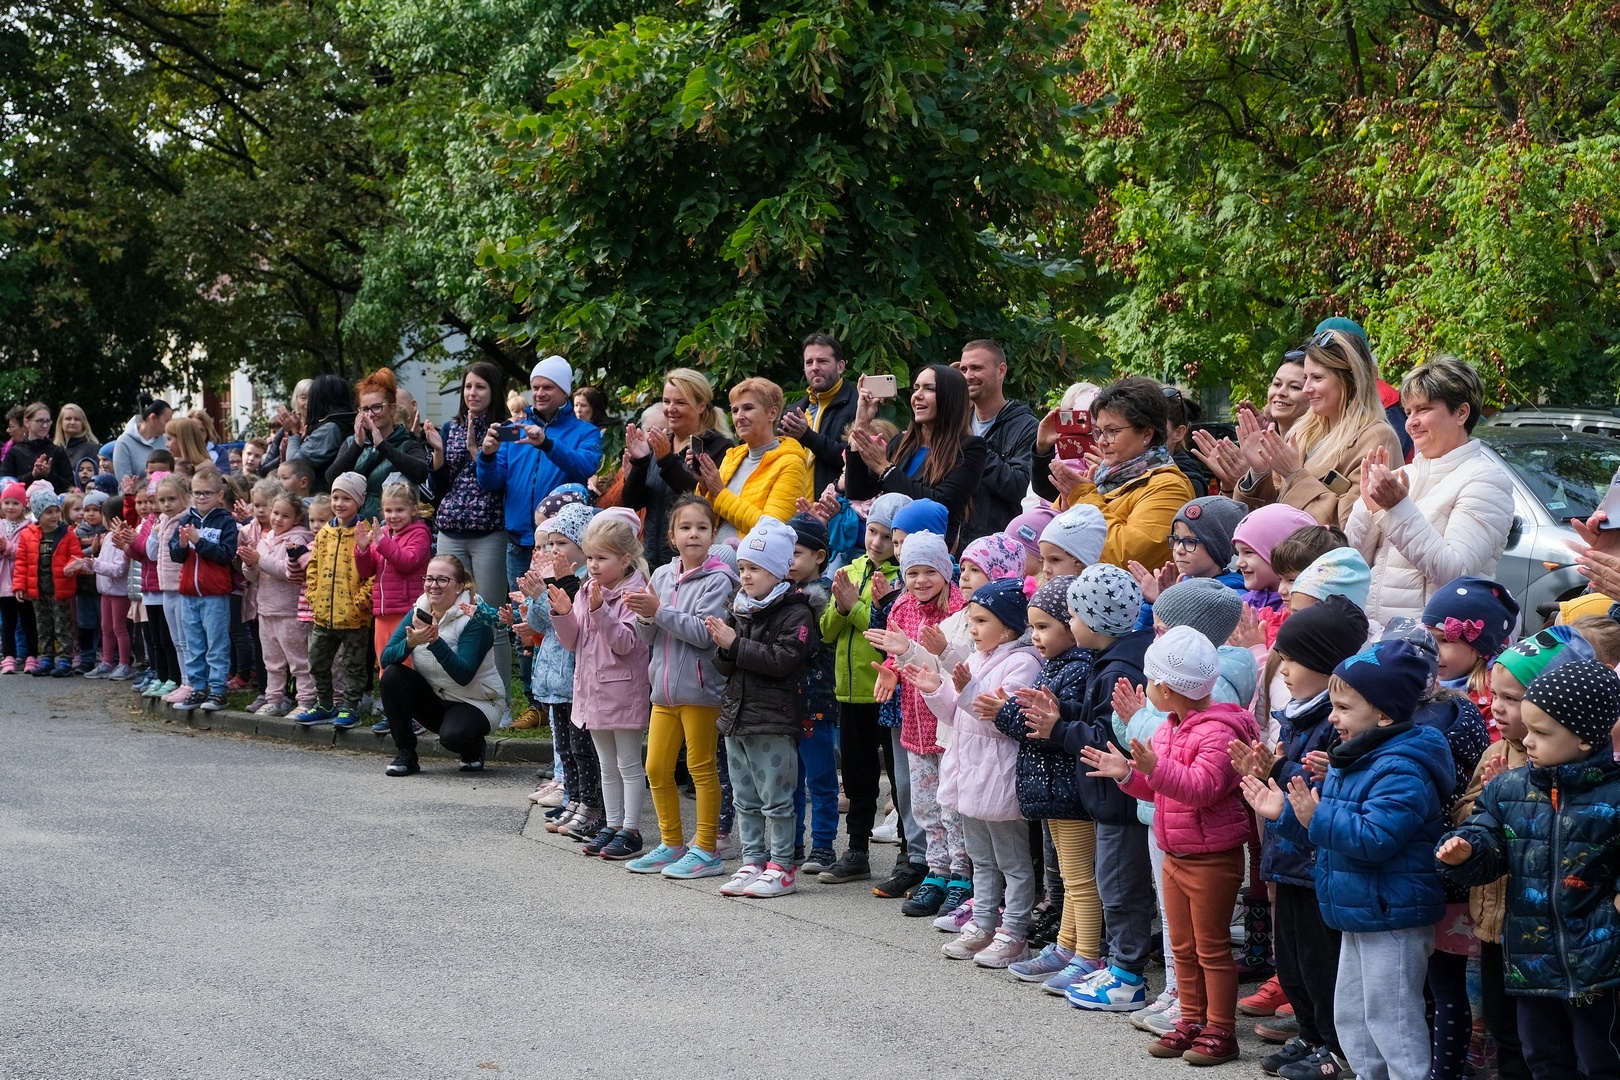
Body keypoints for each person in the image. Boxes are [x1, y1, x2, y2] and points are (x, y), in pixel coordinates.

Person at [1251, 639, 1452, 1080]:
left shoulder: (1402, 767)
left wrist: (1316, 816)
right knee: (1353, 1015)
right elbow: (1332, 834)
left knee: (1392, 1019)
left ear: (1384, 715)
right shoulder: (1357, 757)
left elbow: (1376, 837)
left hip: (1392, 914)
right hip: (1360, 909)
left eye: (1343, 708)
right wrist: (1287, 815)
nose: (1332, 717)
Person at [1082, 626, 1261, 1065]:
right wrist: (1128, 774)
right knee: (1182, 946)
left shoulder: (1219, 732)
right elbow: (1161, 789)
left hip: (1211, 857)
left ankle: (1220, 1029)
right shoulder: (1169, 728)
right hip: (1175, 852)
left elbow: (1201, 788)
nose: (1146, 689)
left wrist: (1153, 768)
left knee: (1211, 948)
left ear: (1166, 688)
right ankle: (1191, 1019)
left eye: (1149, 681)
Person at [1438, 660, 1620, 1080]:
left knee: (1602, 1060)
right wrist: (1467, 852)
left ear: (1585, 738)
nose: (1528, 740)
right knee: (1542, 1057)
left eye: (1542, 732)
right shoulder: (1509, 788)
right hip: (1530, 958)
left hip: (1600, 965)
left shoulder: (1614, 794)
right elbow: (1487, 838)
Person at [1229, 596, 1370, 1080]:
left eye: (1293, 660)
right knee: (1291, 960)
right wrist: (1265, 768)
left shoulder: (1336, 721)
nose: (1283, 670)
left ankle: (1335, 1047)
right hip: (1287, 860)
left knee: (1321, 962)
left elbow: (1317, 789)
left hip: (1316, 866)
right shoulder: (1298, 715)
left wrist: (1277, 766)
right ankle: (1310, 1035)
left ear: (1329, 666)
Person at [912, 576, 1042, 967]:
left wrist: (964, 685)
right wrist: (935, 689)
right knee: (980, 858)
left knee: (1013, 862)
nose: (973, 628)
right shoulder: (975, 658)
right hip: (970, 771)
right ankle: (983, 923)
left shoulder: (1023, 663)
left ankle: (1014, 931)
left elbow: (998, 718)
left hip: (998, 774)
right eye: (971, 620)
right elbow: (955, 714)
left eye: (982, 621)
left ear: (1010, 626)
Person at [1344, 356, 1514, 633]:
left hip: (1432, 643)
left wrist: (1397, 508)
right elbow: (1353, 565)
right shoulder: (1402, 475)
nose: (1411, 423)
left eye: (1422, 409)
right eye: (1408, 411)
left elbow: (1456, 574)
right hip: (1374, 636)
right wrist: (1368, 507)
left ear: (1461, 413)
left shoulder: (1485, 479)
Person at [996, 576, 1104, 988]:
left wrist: (1003, 712)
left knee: (1079, 879)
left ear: (1071, 626)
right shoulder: (1056, 666)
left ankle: (1087, 955)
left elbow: (1041, 726)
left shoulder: (1078, 668)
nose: (1035, 636)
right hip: (1052, 790)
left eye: (1044, 627)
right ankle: (1066, 947)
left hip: (1068, 789)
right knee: (1071, 876)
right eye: (1032, 627)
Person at [623, 494, 736, 879]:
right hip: (664, 691)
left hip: (701, 691)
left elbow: (705, 634)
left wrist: (658, 612)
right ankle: (672, 844)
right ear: (672, 536)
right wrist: (644, 617)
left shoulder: (720, 579)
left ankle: (706, 849)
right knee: (655, 767)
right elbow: (650, 637)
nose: (693, 534)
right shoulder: (661, 576)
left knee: (701, 768)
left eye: (702, 527)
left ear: (712, 535)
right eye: (685, 527)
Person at [709, 517, 819, 899]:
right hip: (737, 718)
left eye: (754, 568)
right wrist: (724, 647)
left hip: (772, 720)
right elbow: (725, 667)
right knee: (745, 798)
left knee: (777, 799)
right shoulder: (739, 607)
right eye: (742, 568)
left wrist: (734, 645)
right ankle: (752, 861)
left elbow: (782, 660)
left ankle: (782, 867)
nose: (745, 576)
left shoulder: (797, 613)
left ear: (777, 571)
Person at [548, 509, 652, 862]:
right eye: (590, 557)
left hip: (622, 692)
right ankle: (613, 824)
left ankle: (631, 830)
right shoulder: (586, 589)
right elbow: (573, 642)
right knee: (606, 764)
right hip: (591, 691)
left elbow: (626, 643)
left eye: (601, 558)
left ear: (624, 560)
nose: (592, 565)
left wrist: (599, 610)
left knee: (628, 764)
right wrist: (564, 613)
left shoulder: (634, 593)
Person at [818, 491, 909, 886]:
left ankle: (909, 851)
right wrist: (841, 607)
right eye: (872, 531)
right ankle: (856, 850)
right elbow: (825, 632)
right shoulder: (851, 569)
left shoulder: (903, 577)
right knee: (857, 777)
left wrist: (855, 606)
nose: (876, 542)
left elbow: (887, 633)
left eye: (888, 537)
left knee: (900, 778)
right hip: (851, 693)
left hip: (886, 694)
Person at [877, 531, 970, 916]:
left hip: (947, 726)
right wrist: (889, 670)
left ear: (945, 572)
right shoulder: (901, 606)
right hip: (914, 725)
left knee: (952, 807)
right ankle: (936, 871)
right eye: (912, 572)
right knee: (925, 806)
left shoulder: (959, 608)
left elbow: (962, 659)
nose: (921, 580)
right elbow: (895, 652)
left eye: (930, 571)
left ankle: (962, 875)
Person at [1230, 328, 1404, 529]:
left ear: (1350, 381)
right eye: (1306, 378)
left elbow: (1356, 529)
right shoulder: (1301, 431)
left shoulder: (1377, 438)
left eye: (1317, 378)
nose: (1306, 389)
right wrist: (1259, 473)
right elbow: (1265, 518)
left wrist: (1295, 475)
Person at [1031, 376, 1195, 571]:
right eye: (1098, 431)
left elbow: (1128, 557)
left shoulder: (1169, 486)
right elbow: (1045, 544)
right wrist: (1066, 512)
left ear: (1146, 433)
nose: (1101, 441)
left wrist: (1082, 498)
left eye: (1112, 431)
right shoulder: (1102, 477)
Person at [476, 355, 604, 603]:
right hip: (519, 543)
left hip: (562, 547)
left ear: (565, 392)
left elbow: (586, 467)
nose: (539, 393)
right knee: (522, 614)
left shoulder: (585, 431)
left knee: (561, 610)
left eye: (548, 387)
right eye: (535, 387)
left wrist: (547, 444)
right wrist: (487, 456)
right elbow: (490, 482)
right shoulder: (515, 430)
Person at [379, 554, 507, 776]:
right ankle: (406, 754)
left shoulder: (475, 618)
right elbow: (385, 659)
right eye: (429, 579)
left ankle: (474, 747)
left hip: (476, 701)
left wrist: (435, 641)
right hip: (437, 697)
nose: (433, 585)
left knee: (454, 737)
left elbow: (464, 675)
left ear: (459, 587)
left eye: (442, 580)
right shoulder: (418, 611)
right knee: (392, 675)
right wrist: (410, 643)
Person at [428, 362, 510, 696]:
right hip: (450, 528)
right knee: (449, 614)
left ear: (494, 391)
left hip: (489, 530)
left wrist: (478, 451)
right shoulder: (452, 427)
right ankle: (454, 693)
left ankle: (499, 697)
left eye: (480, 387)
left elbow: (498, 482)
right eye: (467, 386)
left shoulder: (505, 429)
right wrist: (437, 452)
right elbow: (439, 485)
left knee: (491, 619)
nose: (472, 393)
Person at [845, 365, 987, 550]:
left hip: (927, 555)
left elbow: (940, 503)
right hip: (887, 552)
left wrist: (885, 470)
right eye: (916, 388)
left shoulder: (970, 448)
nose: (917, 395)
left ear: (950, 397)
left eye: (929, 388)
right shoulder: (901, 442)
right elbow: (858, 492)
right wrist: (861, 424)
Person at [622, 368, 735, 569]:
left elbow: (700, 500)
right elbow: (633, 502)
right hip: (653, 562)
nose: (671, 409)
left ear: (701, 405)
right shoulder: (660, 443)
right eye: (667, 401)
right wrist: (640, 462)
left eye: (680, 403)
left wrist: (666, 460)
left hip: (694, 563)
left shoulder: (718, 447)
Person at [294, 471, 373, 729]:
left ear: (359, 501)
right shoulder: (325, 533)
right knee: (317, 661)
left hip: (354, 617)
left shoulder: (367, 532)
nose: (339, 504)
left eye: (346, 498)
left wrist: (361, 602)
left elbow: (374, 572)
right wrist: (314, 596)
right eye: (336, 497)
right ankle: (325, 704)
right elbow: (314, 567)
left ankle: (350, 707)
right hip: (323, 613)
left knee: (353, 665)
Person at [785, 513, 840, 874]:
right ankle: (791, 842)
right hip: (784, 702)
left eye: (796, 553)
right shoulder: (779, 592)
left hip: (817, 701)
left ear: (819, 556)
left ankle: (823, 846)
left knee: (820, 779)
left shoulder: (828, 595)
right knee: (788, 779)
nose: (788, 561)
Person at [694, 377, 807, 544]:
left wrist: (720, 492)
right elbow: (708, 516)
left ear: (772, 413)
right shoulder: (732, 456)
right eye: (735, 410)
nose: (739, 417)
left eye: (748, 408)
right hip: (711, 551)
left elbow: (771, 530)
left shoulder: (791, 463)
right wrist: (704, 484)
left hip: (750, 556)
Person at [166, 469, 238, 712]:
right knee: (194, 645)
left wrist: (199, 542)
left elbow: (226, 555)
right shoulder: (186, 520)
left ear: (219, 495)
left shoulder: (226, 521)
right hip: (189, 594)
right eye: (197, 493)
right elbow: (176, 555)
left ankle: (218, 690)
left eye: (207, 493)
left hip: (214, 595)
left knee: (216, 645)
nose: (201, 497)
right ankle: (198, 688)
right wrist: (182, 545)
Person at [956, 339, 1039, 544]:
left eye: (976, 368)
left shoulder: (1027, 427)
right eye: (963, 369)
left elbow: (1022, 488)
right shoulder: (956, 423)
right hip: (954, 546)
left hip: (1000, 546)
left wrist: (974, 446)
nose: (968, 376)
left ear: (1001, 370)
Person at [351, 479, 431, 683]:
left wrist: (382, 543)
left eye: (400, 510)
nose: (393, 516)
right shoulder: (383, 534)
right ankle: (389, 701)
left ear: (413, 510)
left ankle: (411, 703)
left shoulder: (420, 533)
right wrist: (362, 549)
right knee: (385, 662)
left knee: (408, 663)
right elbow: (367, 571)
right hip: (383, 611)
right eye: (388, 510)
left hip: (406, 611)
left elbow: (408, 562)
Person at [325, 368, 431, 520]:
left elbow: (421, 473)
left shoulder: (408, 443)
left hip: (391, 526)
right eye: (364, 409)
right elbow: (331, 479)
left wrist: (382, 445)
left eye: (376, 407)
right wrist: (357, 445)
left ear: (392, 409)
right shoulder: (351, 442)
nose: (370, 414)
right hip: (354, 526)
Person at [248, 490, 314, 717]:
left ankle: (305, 700)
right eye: (275, 513)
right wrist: (249, 563)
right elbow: (252, 576)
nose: (278, 519)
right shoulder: (265, 539)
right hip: (266, 610)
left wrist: (259, 560)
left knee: (299, 661)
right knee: (272, 661)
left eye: (285, 516)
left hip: (289, 611)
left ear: (296, 519)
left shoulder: (297, 539)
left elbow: (287, 571)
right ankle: (274, 700)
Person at [779, 333, 859, 501]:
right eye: (809, 362)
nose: (814, 367)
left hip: (838, 508)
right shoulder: (792, 413)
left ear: (840, 366)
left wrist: (807, 436)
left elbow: (857, 461)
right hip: (794, 507)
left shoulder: (859, 406)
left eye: (822, 361)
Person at [14, 488, 83, 676]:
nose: (54, 516)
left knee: (62, 626)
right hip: (38, 590)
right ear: (38, 514)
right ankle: (46, 658)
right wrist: (19, 585)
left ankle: (65, 659)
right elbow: (21, 562)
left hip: (59, 589)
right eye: (48, 512)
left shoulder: (67, 533)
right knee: (43, 626)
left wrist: (71, 566)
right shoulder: (28, 534)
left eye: (56, 511)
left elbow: (75, 555)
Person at [285, 374, 356, 492]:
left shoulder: (330, 429)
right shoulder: (344, 423)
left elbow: (293, 466)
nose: (309, 402)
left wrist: (294, 433)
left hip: (320, 497)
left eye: (312, 396)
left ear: (320, 399)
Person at [0, 482, 34, 673]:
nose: (10, 507)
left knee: (28, 621)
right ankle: (9, 657)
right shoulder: (0, 526)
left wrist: (8, 548)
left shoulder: (29, 528)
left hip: (23, 581)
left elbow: (27, 553)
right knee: (8, 623)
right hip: (3, 583)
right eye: (7, 503)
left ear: (23, 505)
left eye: (15, 503)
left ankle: (31, 656)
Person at [2, 403, 74, 493]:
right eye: (40, 421)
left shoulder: (58, 451)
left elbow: (71, 487)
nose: (45, 426)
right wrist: (33, 474)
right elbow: (5, 485)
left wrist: (49, 474)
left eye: (48, 421)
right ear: (27, 422)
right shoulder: (14, 452)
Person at [113, 396, 172, 483]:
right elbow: (124, 482)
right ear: (152, 418)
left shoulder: (167, 440)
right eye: (166, 421)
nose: (169, 426)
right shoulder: (124, 442)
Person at [53, 404, 99, 478]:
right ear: (61, 422)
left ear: (83, 423)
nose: (72, 422)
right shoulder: (54, 448)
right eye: (68, 419)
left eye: (77, 419)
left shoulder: (92, 448)